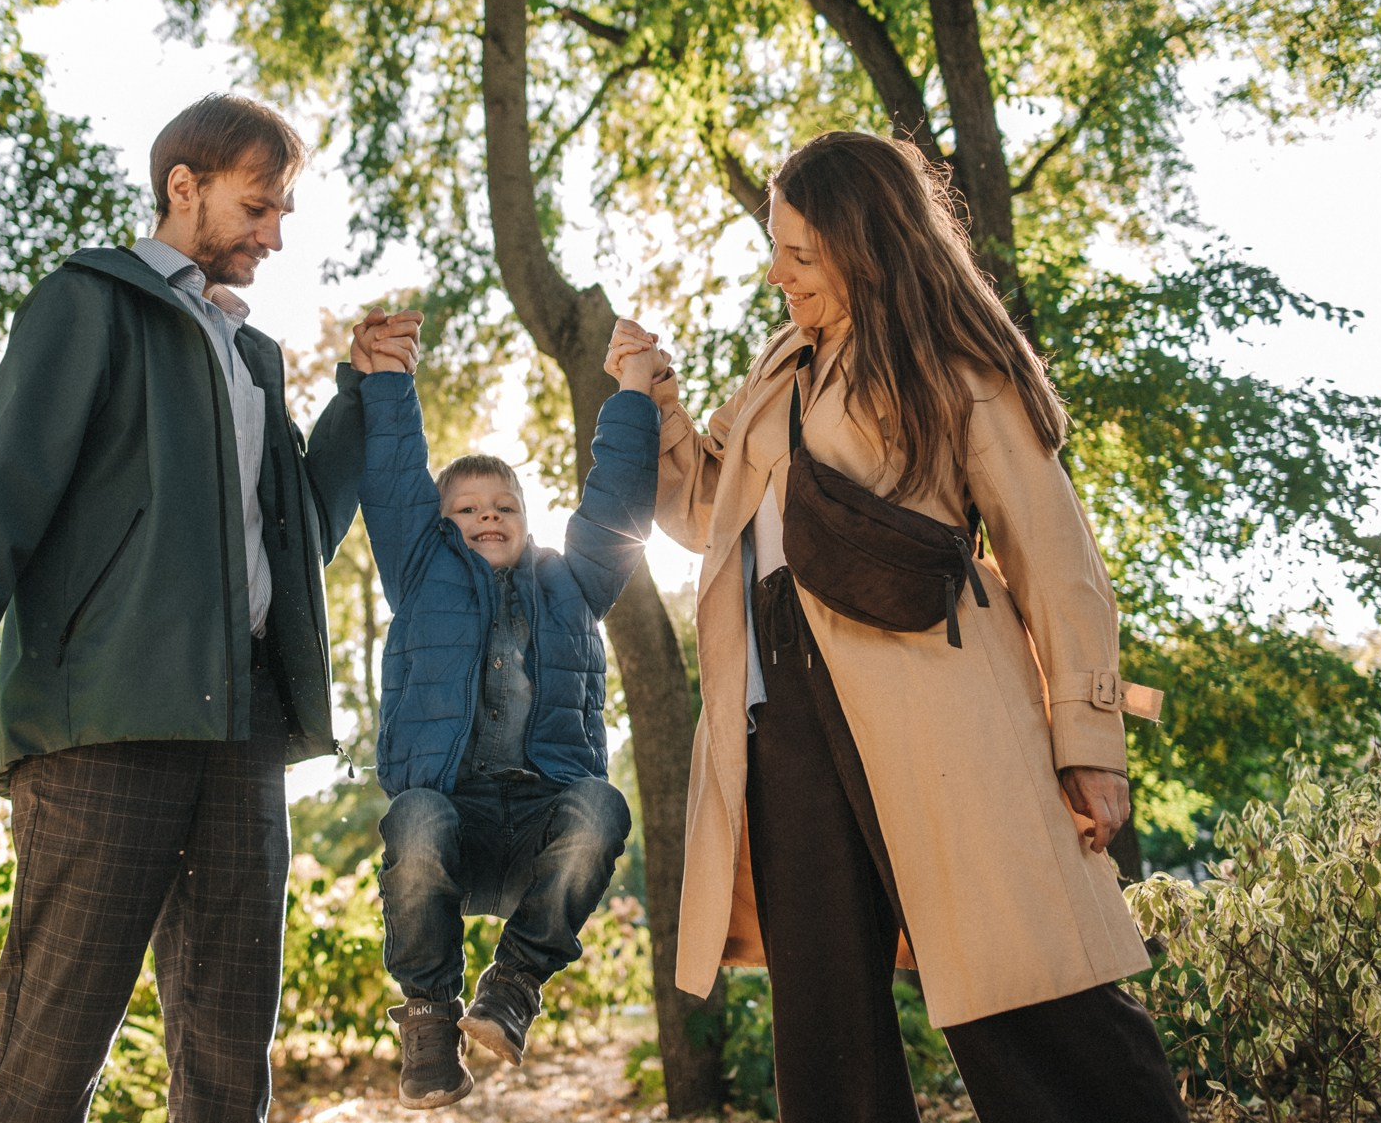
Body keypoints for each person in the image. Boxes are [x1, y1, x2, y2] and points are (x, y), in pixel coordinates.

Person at [622, 130, 1183, 1123]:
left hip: (940, 703)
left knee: (1029, 986)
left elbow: (1056, 554)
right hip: (783, 718)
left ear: (863, 241)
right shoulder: (779, 369)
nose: (778, 272)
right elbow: (709, 514)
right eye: (775, 247)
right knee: (826, 1029)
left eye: (799, 252)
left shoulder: (954, 357)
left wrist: (1089, 737)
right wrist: (660, 407)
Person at [0, 93, 423, 1123]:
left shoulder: (251, 356)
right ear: (184, 188)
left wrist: (359, 398)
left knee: (228, 1074)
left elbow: (294, 541)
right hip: (106, 728)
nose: (275, 233)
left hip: (244, 734)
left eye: (281, 213)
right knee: (48, 1061)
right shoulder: (89, 303)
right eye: (258, 207)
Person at [356, 333, 664, 1109]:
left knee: (603, 807)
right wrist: (390, 380)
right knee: (414, 817)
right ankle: (429, 1021)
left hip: (537, 818)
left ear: (527, 518)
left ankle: (514, 985)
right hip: (451, 814)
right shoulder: (420, 574)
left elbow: (618, 502)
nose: (486, 516)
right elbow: (393, 483)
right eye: (463, 509)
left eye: (504, 506)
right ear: (437, 525)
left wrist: (631, 385)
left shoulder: (572, 582)